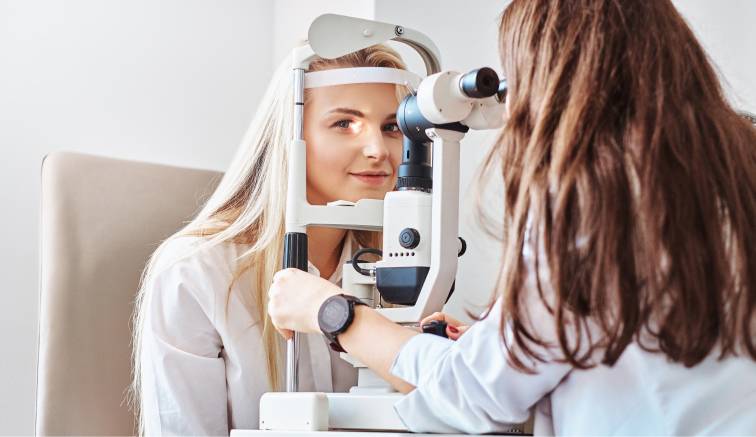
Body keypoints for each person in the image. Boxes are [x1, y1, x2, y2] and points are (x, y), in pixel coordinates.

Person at [267, 0, 756, 434]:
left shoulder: (596, 200)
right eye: (344, 123)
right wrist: (502, 339)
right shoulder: (737, 165)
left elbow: (473, 396)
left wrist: (334, 313)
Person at [129, 44, 411, 435]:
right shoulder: (196, 272)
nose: (378, 151)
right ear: (290, 136)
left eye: (391, 127)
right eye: (345, 123)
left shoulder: (400, 270)